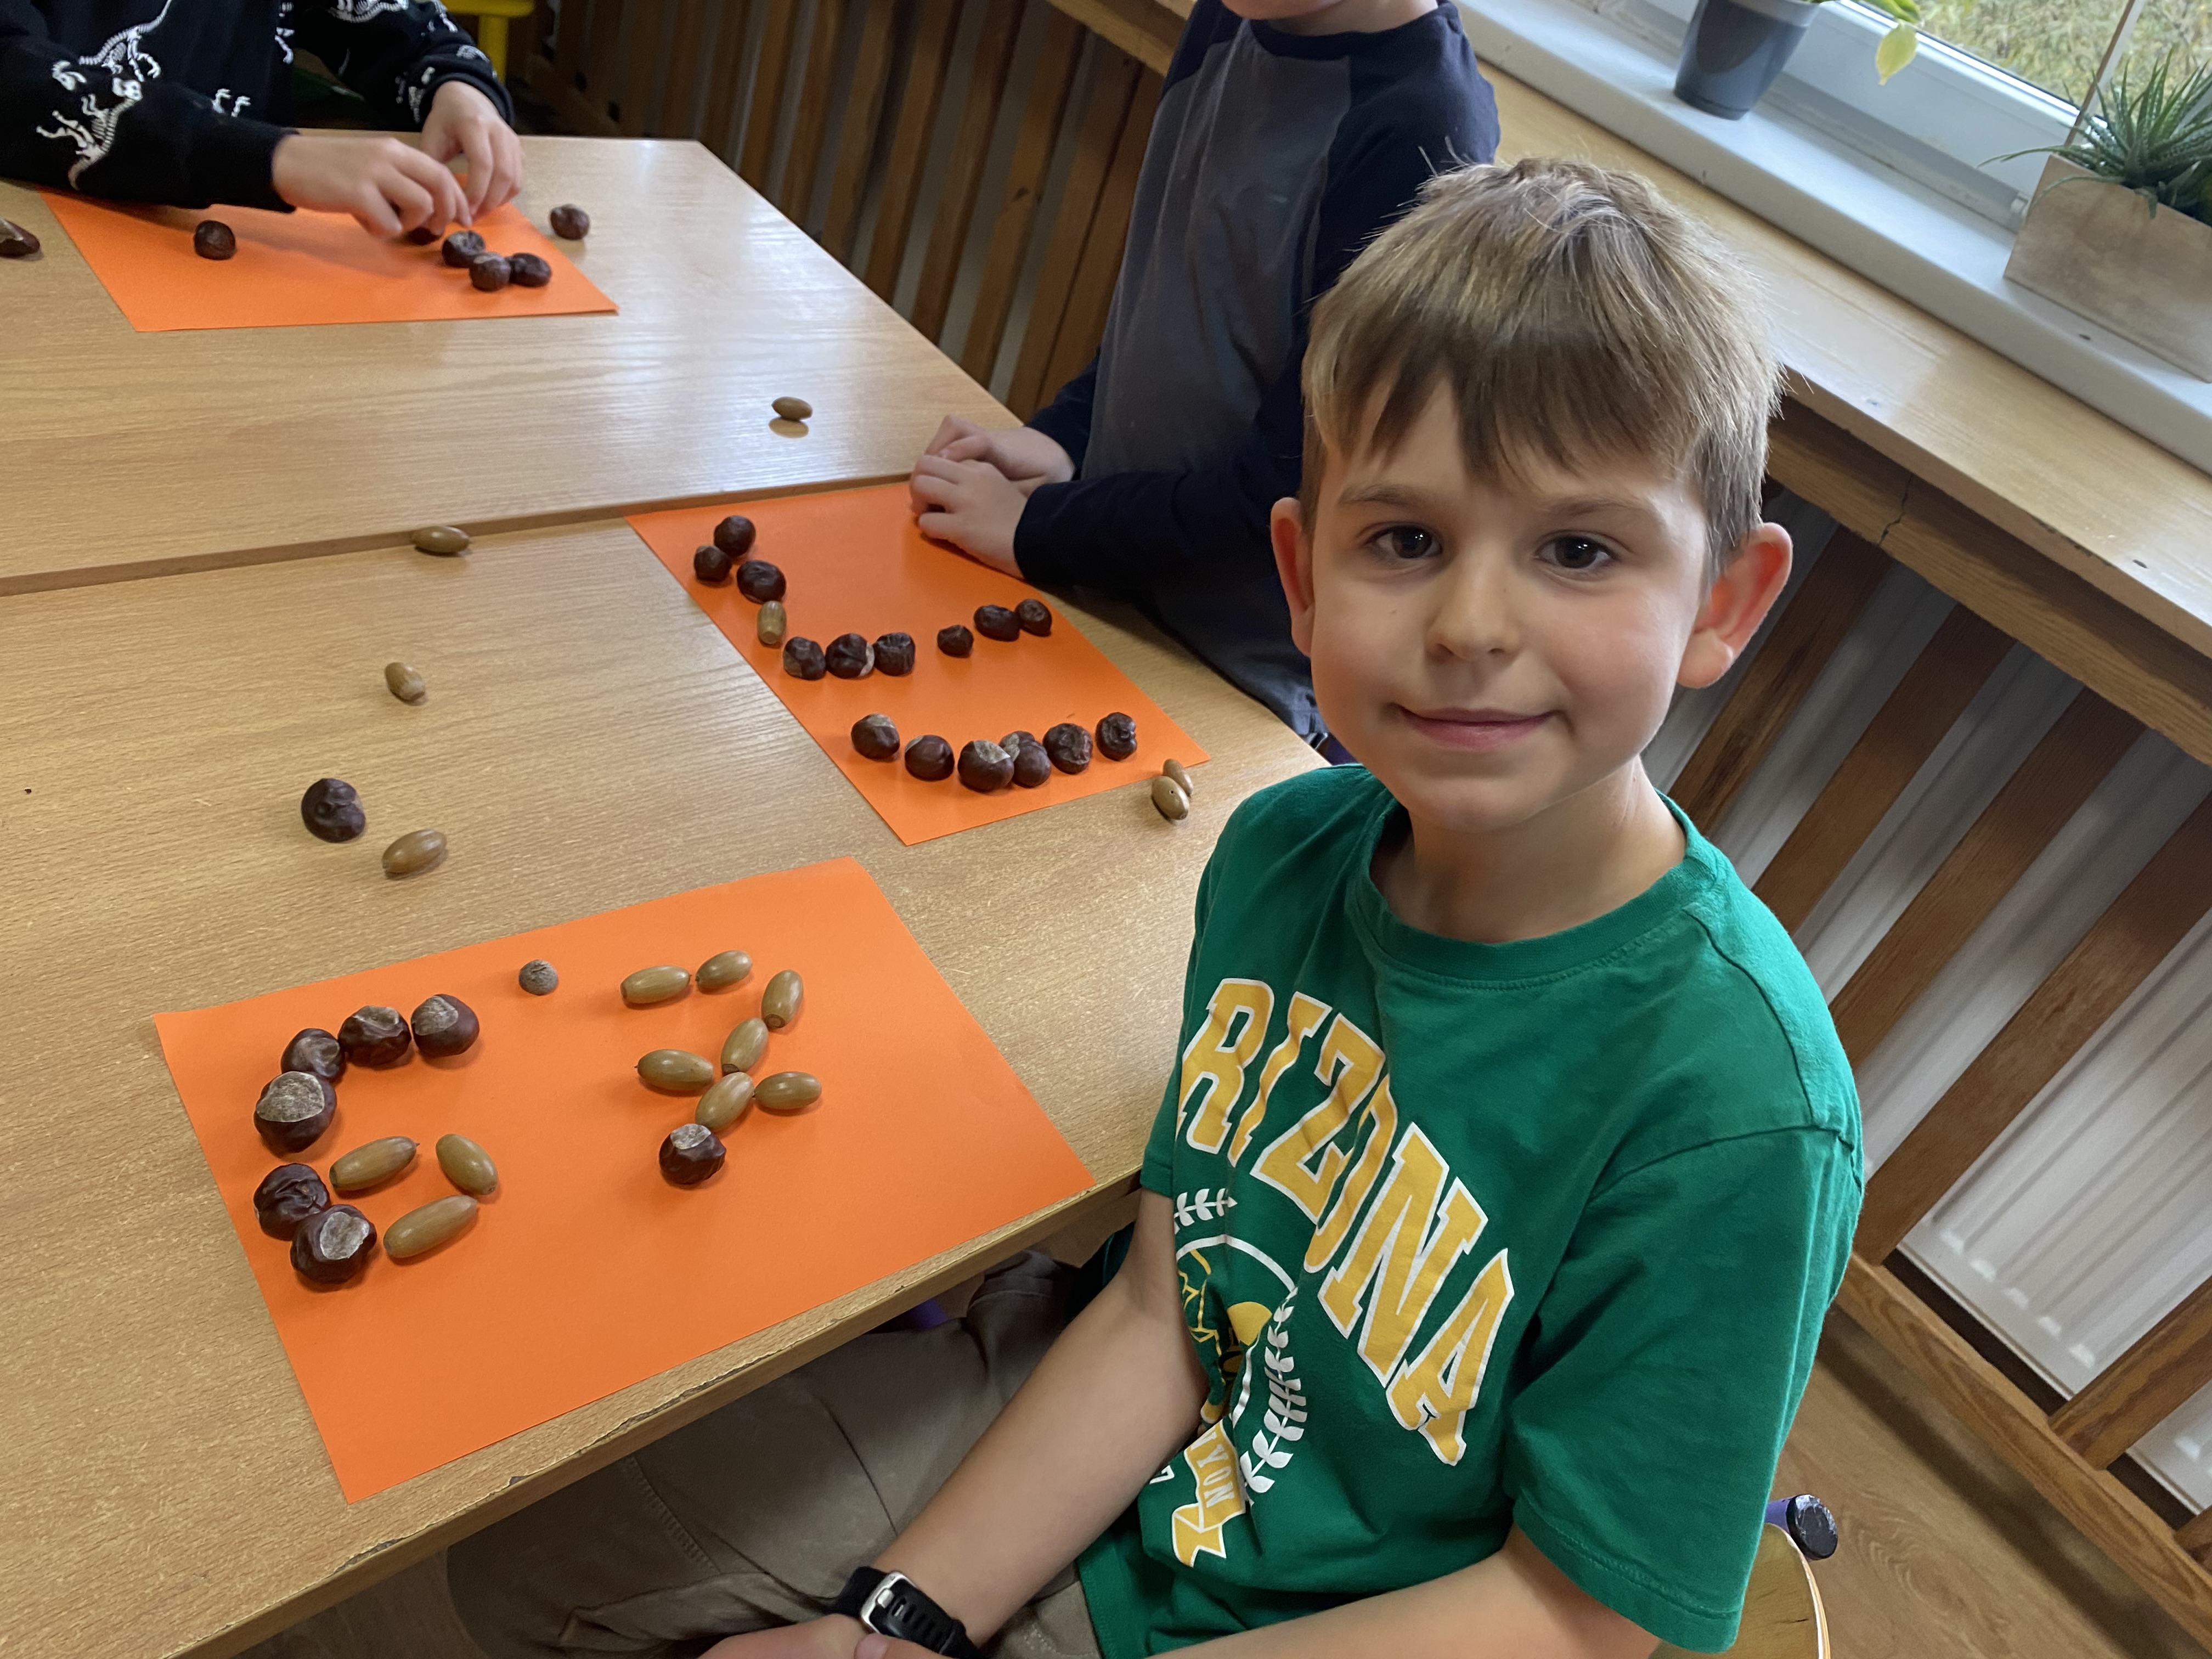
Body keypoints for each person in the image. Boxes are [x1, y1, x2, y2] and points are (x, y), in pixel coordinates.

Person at [448, 157, 1862, 1659]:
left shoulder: (1737, 1107)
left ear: (1723, 603)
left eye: (1579, 551)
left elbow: (1577, 1618)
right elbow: (1159, 1309)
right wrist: (896, 1625)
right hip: (1159, 1463)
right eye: (1405, 540)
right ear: (1301, 578)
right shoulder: (1281, 856)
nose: (1470, 626)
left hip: (1351, 1613)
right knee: (525, 1570)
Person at [907, 0, 1497, 752]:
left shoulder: (1422, 134)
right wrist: (1068, 438)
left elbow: (1283, 494)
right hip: (1107, 581)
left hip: (1231, 682)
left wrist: (1039, 529)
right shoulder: (1232, 16)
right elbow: (1176, 298)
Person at [1, 0, 522, 235]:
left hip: (237, 262)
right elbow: (14, 79)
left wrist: (458, 87)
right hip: (58, 245)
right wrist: (269, 157)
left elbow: (406, 28)